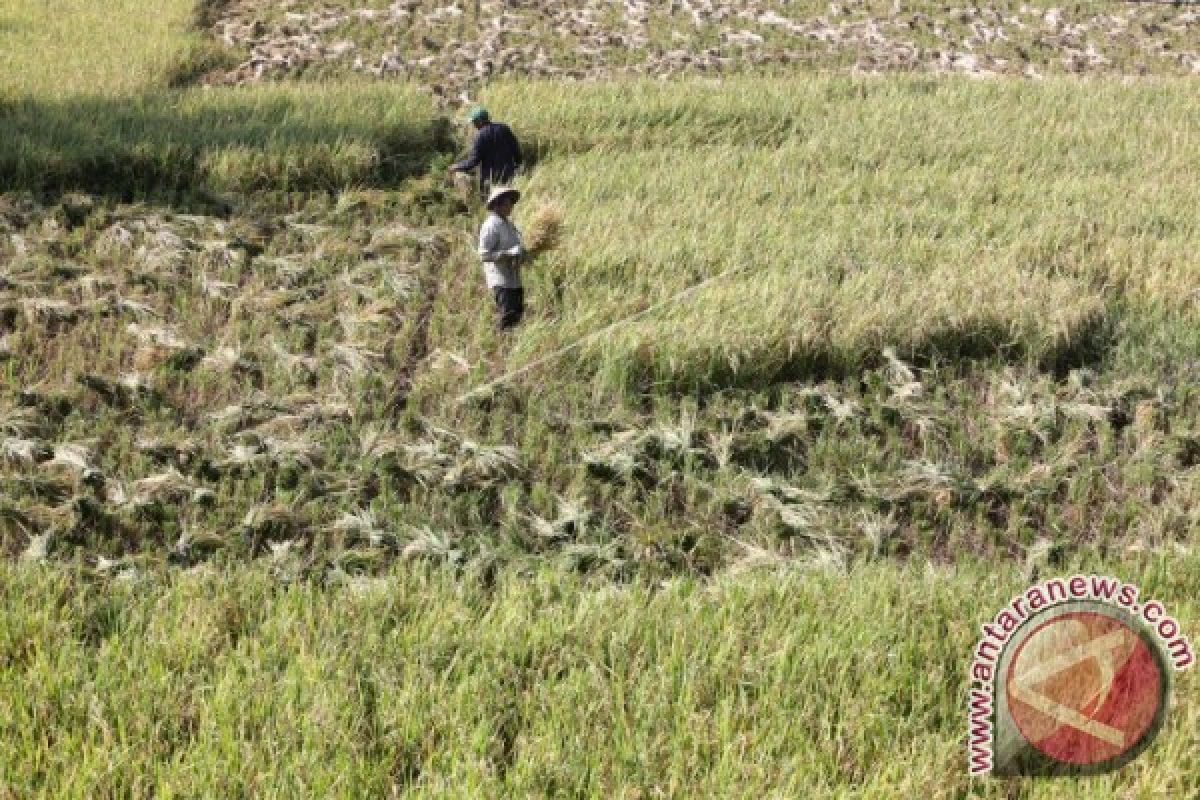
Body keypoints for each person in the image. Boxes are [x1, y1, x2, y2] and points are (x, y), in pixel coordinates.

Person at [478, 186, 526, 330]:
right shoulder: (490, 225)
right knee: (507, 317)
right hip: (500, 279)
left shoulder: (509, 225)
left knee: (517, 317)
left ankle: (515, 347)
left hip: (514, 279)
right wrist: (509, 253)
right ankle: (503, 346)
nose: (511, 205)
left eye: (511, 202)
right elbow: (484, 255)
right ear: (497, 205)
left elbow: (516, 247)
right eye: (507, 202)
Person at [449, 107, 522, 194]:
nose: (474, 125)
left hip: (491, 180)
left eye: (474, 122)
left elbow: (473, 162)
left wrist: (457, 166)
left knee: (491, 201)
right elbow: (516, 149)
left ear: (480, 121)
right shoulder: (504, 128)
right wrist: (518, 165)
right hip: (509, 175)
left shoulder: (480, 137)